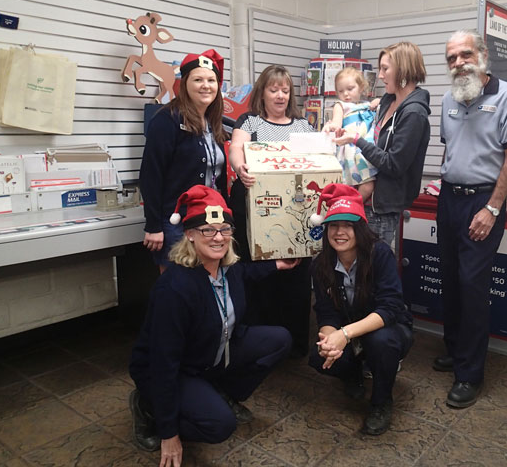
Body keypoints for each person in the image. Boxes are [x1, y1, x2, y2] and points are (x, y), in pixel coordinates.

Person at [128, 185, 299, 467]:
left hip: (207, 354)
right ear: (190, 235)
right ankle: (149, 410)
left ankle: (221, 393)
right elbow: (163, 362)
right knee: (220, 426)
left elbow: (245, 273)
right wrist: (169, 433)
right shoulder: (175, 288)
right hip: (174, 368)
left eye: (224, 229)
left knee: (279, 339)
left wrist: (276, 265)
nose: (218, 237)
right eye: (208, 230)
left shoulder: (227, 268)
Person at [433, 30, 507, 408]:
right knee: (451, 280)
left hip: (483, 203)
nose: (458, 63)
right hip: (449, 200)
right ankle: (456, 351)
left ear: (482, 55)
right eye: (451, 58)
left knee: (473, 287)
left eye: (464, 55)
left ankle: (469, 375)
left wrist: (492, 207)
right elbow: (453, 151)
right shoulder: (447, 99)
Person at [308, 184, 414, 436]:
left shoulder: (380, 255)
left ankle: (381, 401)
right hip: (348, 330)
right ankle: (352, 374)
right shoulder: (321, 264)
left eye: (348, 225)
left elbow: (390, 308)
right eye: (333, 225)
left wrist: (343, 335)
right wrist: (329, 340)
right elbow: (325, 312)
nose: (340, 232)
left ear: (360, 229)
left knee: (382, 342)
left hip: (386, 328)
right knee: (318, 356)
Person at [227, 65, 315, 358]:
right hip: (254, 212)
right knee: (258, 274)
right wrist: (241, 168)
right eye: (273, 89)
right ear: (262, 92)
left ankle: (294, 345)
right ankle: (259, 342)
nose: (280, 95)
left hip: (295, 216)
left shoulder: (303, 127)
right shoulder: (250, 122)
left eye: (285, 90)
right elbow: (236, 148)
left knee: (295, 279)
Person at [332, 42, 430, 250]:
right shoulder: (387, 101)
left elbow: (394, 164)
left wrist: (356, 140)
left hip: (380, 210)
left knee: (372, 272)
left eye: (385, 69)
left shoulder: (413, 114)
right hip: (364, 201)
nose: (380, 75)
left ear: (403, 70)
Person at [139, 48, 228, 271]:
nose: (205, 85)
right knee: (176, 289)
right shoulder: (166, 121)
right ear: (185, 83)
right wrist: (153, 226)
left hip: (209, 220)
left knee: (205, 288)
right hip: (175, 222)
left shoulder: (213, 123)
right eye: (198, 79)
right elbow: (151, 175)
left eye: (211, 80)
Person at [322, 67, 380, 202]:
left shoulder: (368, 105)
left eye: (350, 89)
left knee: (368, 185)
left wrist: (378, 101)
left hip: (367, 150)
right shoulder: (341, 105)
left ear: (361, 88)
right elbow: (336, 121)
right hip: (351, 150)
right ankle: (352, 207)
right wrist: (332, 126)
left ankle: (355, 206)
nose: (346, 94)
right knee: (351, 186)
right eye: (341, 91)